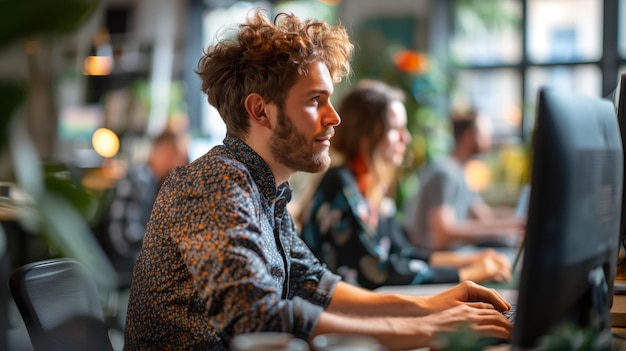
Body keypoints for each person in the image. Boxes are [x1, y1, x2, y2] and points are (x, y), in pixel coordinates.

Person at [123, 10, 513, 351]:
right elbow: (257, 321)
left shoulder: (265, 192)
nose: (334, 117)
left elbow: (316, 286)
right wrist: (423, 329)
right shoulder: (214, 183)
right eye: (315, 100)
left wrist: (433, 306)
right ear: (261, 110)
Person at [299, 80, 512, 290]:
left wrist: (470, 260)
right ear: (366, 135)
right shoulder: (341, 183)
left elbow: (403, 252)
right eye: (396, 128)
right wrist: (466, 274)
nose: (406, 137)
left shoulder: (374, 189)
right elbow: (376, 270)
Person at [402, 107, 524, 251]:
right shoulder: (445, 173)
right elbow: (444, 233)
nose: (490, 140)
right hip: (432, 259)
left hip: (451, 254)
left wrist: (519, 222)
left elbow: (485, 217)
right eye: (486, 134)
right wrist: (506, 230)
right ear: (468, 137)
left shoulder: (462, 174)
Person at [103, 129, 189, 281]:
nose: (183, 164)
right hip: (123, 268)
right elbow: (123, 236)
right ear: (168, 152)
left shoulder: (151, 182)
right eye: (181, 156)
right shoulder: (141, 179)